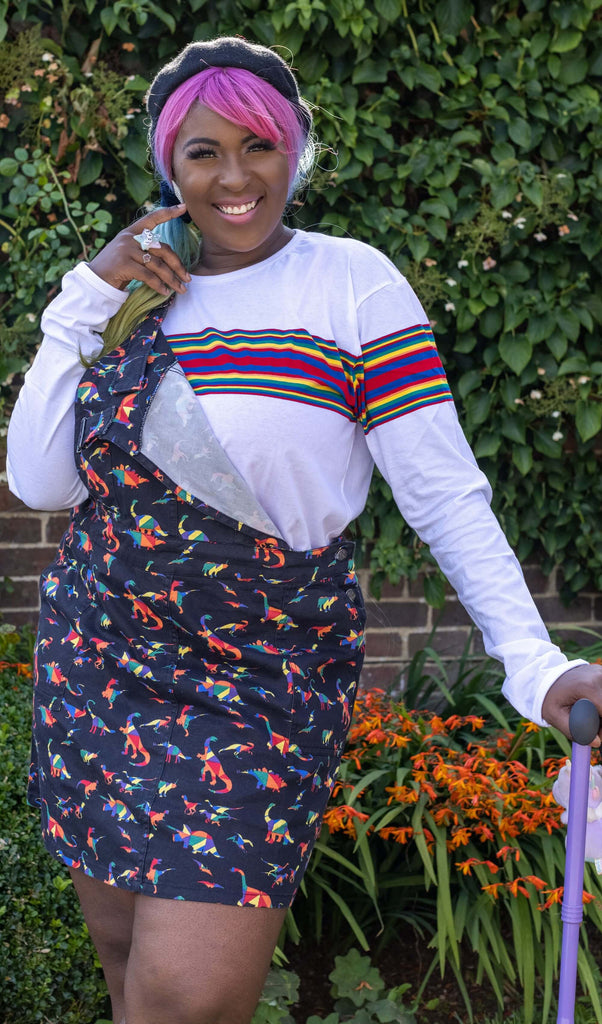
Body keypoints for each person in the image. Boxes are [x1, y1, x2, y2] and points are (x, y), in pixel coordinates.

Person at [6, 34, 602, 1024]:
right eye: (203, 152)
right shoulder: (135, 295)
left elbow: (442, 493)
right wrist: (85, 297)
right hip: (101, 662)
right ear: (169, 165)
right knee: (126, 970)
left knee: (185, 997)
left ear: (296, 151)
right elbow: (39, 483)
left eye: (260, 146)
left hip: (258, 681)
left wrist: (531, 662)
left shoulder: (349, 284)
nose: (235, 177)